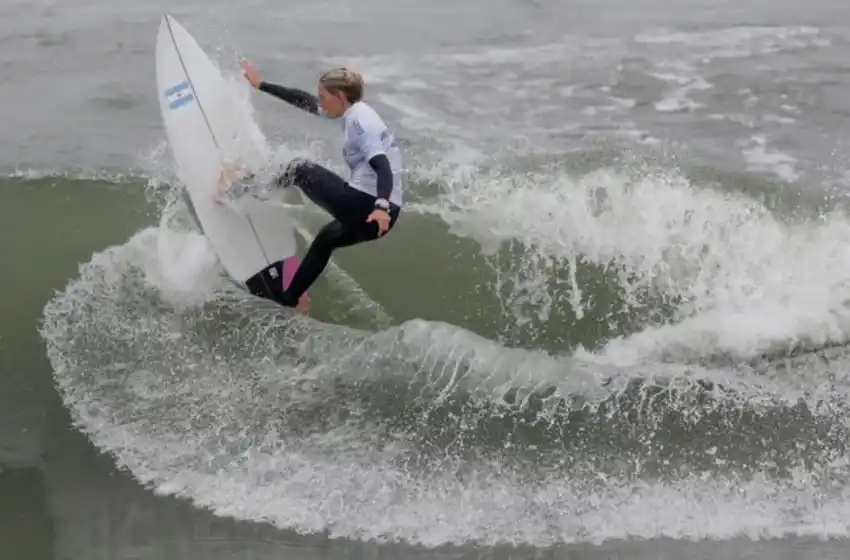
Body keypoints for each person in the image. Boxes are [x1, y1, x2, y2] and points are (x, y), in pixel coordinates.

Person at [225, 60, 404, 311]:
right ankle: (290, 297)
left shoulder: (360, 123)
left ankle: (242, 189)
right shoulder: (351, 110)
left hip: (370, 207)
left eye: (323, 96)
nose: (319, 102)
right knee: (326, 240)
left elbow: (382, 165)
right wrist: (261, 85)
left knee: (300, 168)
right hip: (383, 215)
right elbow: (305, 102)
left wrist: (381, 206)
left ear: (340, 96)